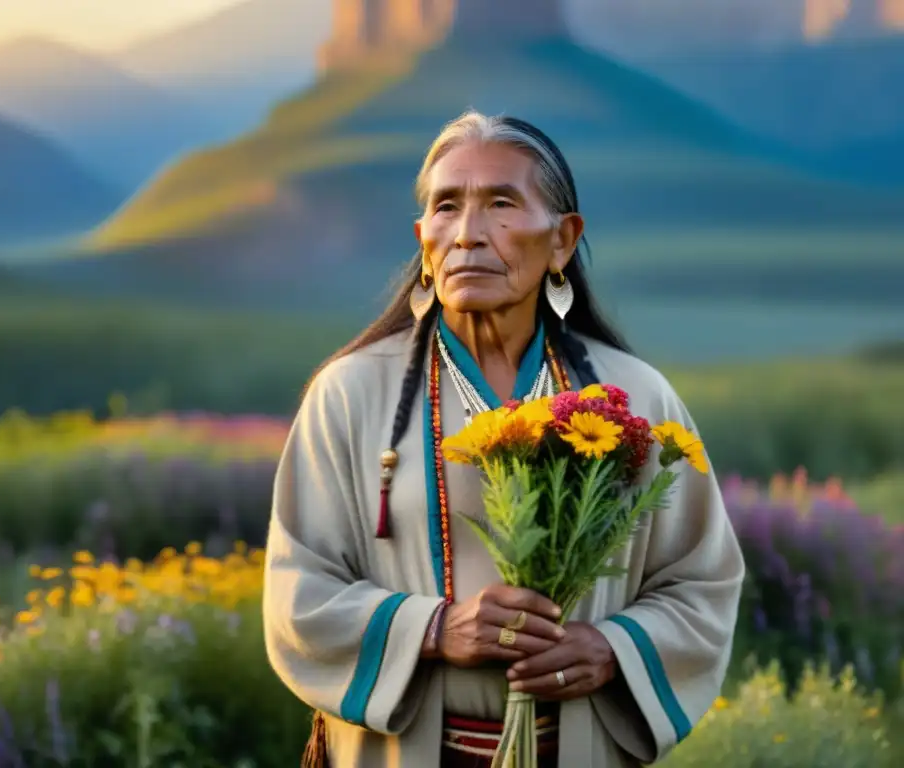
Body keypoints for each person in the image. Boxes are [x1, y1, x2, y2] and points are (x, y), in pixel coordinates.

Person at [262, 110, 745, 767]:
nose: (468, 234)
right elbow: (299, 592)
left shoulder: (635, 398)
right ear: (422, 240)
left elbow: (702, 581)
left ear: (563, 241)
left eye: (500, 204)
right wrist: (433, 629)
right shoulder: (349, 396)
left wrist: (613, 647)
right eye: (446, 207)